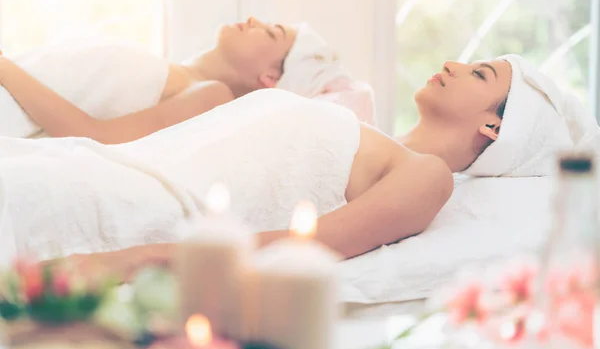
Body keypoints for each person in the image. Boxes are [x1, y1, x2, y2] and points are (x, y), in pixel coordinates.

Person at [4, 57, 513, 278]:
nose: (452, 64)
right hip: (101, 168)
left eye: (479, 74)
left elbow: (311, 245)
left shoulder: (428, 174)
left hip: (131, 206)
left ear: (493, 128)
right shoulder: (359, 126)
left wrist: (131, 259)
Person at [0, 17, 298, 143]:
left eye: (271, 32)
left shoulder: (211, 95)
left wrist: (4, 66)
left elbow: (96, 136)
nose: (252, 19)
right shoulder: (168, 69)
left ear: (270, 78)